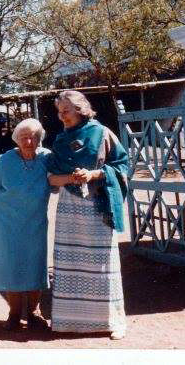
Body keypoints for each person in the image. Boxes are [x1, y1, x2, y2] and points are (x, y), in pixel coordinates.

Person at [46, 91, 128, 340]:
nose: (62, 117)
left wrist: (93, 175)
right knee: (71, 261)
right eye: (59, 112)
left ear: (81, 109)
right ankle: (69, 321)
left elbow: (122, 166)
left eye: (66, 111)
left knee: (102, 262)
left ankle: (113, 321)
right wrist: (72, 177)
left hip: (98, 204)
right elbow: (51, 177)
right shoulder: (60, 140)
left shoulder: (102, 133)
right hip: (69, 208)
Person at [0, 118, 52, 331]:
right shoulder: (5, 161)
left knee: (35, 264)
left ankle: (33, 312)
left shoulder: (47, 158)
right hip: (6, 223)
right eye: (24, 137)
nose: (29, 141)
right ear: (17, 139)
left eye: (33, 137)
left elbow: (58, 182)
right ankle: (14, 313)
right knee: (11, 265)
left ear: (39, 139)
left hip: (35, 221)